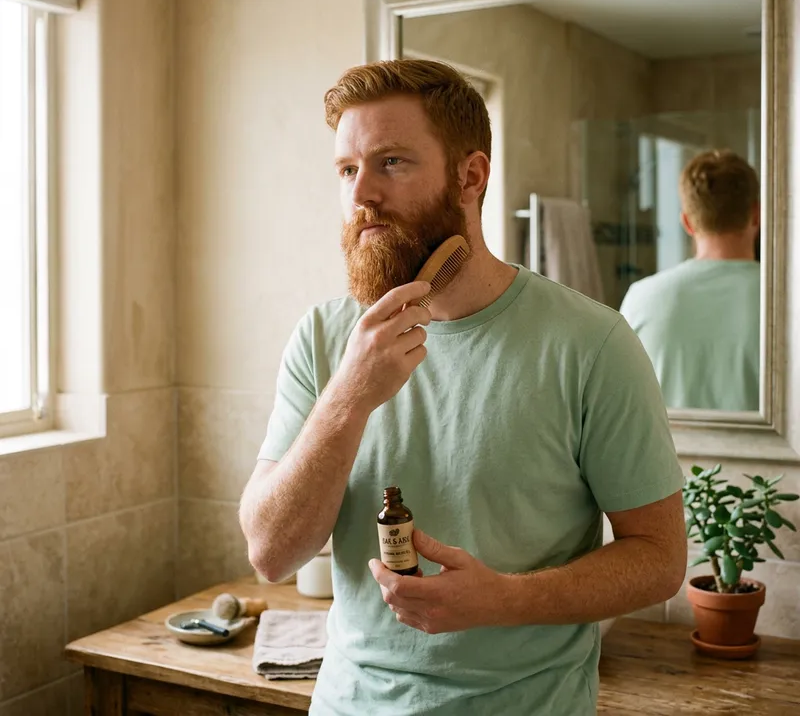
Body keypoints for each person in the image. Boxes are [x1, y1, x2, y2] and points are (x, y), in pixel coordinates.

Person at [240, 59, 687, 715]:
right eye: (346, 169)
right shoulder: (324, 335)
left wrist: (503, 600)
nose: (361, 192)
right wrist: (351, 395)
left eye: (391, 163)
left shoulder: (591, 343)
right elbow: (271, 554)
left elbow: (658, 560)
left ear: (471, 175)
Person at [620, 149, 761, 412]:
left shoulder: (642, 299)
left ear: (686, 221)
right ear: (757, 215)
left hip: (667, 453)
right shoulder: (788, 299)